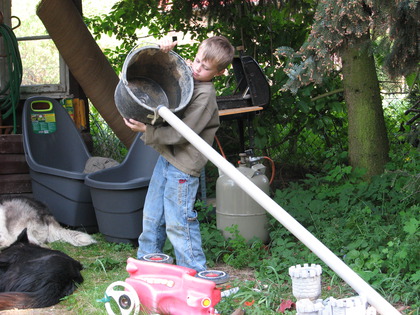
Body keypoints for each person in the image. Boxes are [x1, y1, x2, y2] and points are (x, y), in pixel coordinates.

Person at [124, 36, 235, 272]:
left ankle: (194, 271)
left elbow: (181, 134)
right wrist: (163, 48)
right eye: (196, 61)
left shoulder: (205, 96)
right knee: (152, 214)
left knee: (179, 221)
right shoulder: (191, 75)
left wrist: (147, 130)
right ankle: (146, 263)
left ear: (219, 72)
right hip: (167, 158)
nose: (196, 68)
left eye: (205, 68)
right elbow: (172, 67)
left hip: (183, 166)